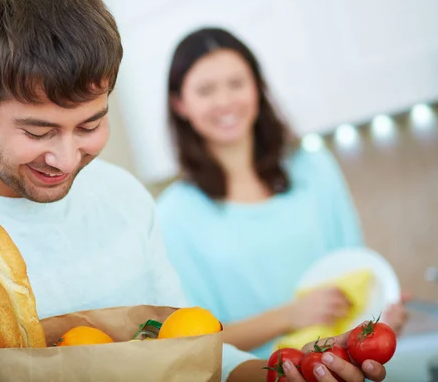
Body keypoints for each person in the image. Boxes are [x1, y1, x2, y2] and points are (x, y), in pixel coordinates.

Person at [0, 0, 389, 381]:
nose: (66, 158)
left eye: (90, 125)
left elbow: (191, 352)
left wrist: (285, 372)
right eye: (38, 130)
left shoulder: (125, 197)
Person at [156, 27, 409, 359]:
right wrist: (289, 316)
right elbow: (196, 343)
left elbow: (355, 274)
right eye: (205, 90)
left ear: (257, 87)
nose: (225, 101)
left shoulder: (314, 168)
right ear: (180, 104)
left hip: (343, 366)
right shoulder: (172, 214)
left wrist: (380, 318)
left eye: (236, 83)